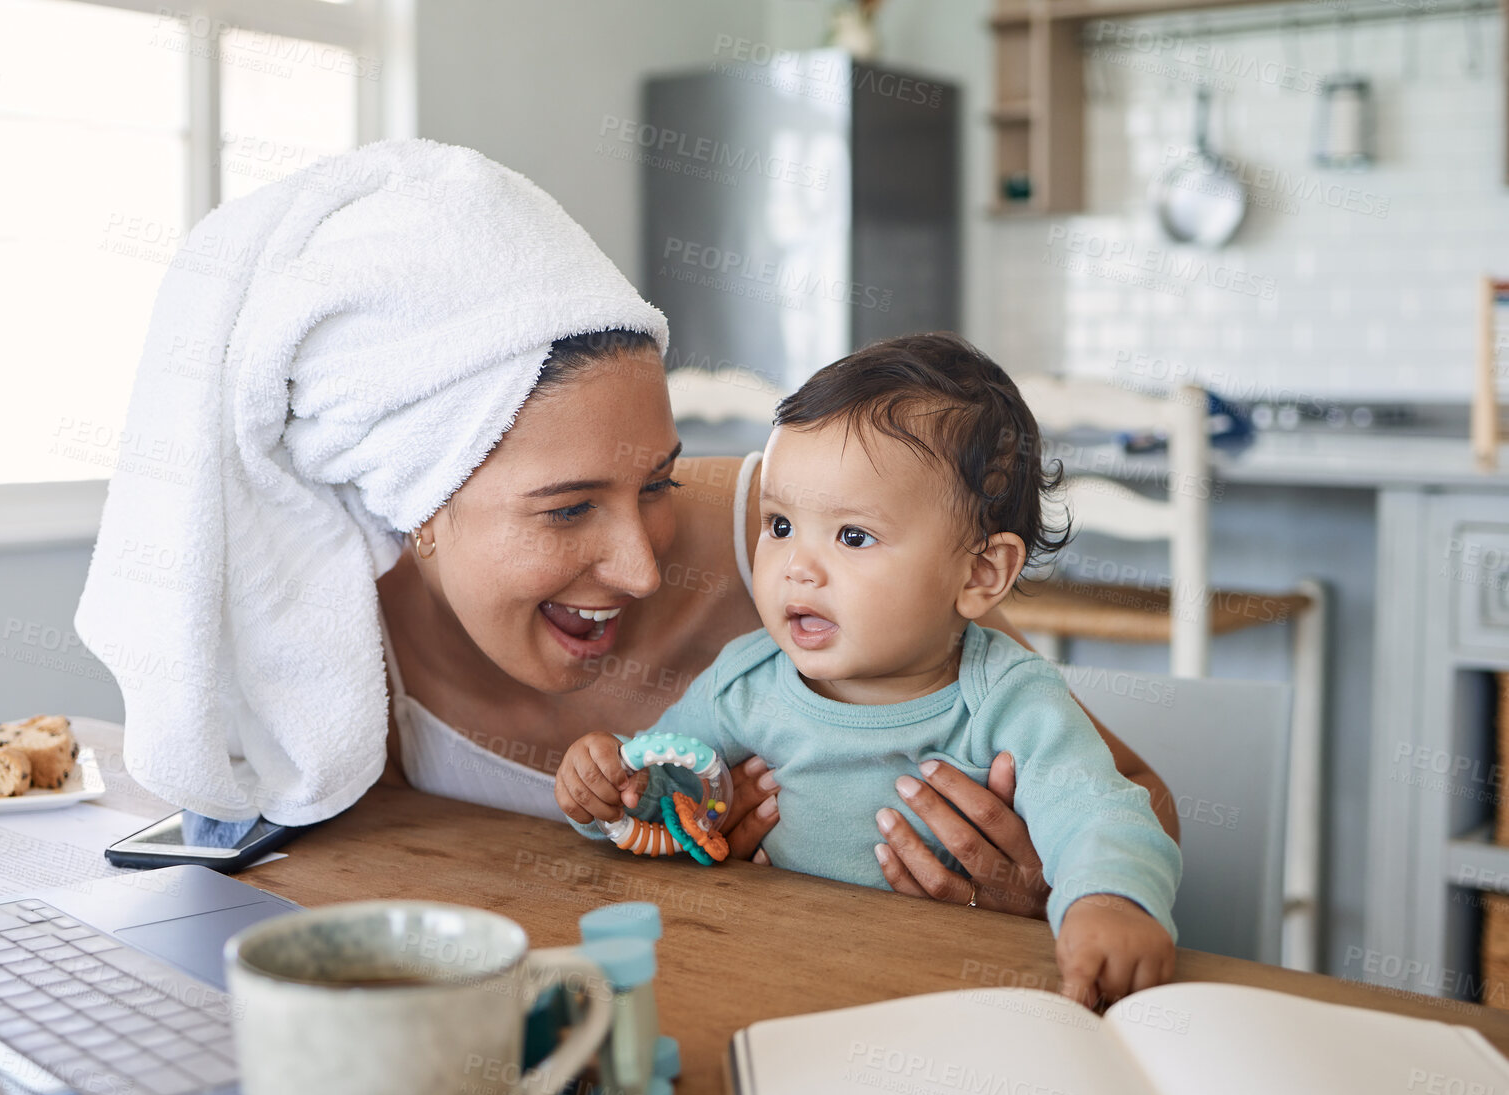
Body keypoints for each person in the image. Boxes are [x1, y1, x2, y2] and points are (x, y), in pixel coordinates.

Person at [80, 139, 1178, 922]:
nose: (642, 562)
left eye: (653, 480)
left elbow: (1132, 796)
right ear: (410, 505)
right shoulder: (321, 642)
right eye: (566, 509)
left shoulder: (786, 534)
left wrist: (1032, 881)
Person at [553, 333, 1179, 1006]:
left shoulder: (1011, 700)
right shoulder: (745, 681)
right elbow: (666, 791)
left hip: (951, 998)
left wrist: (1107, 901)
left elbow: (1096, 812)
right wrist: (609, 785)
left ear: (980, 571)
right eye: (781, 524)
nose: (798, 565)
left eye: (853, 536)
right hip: (778, 981)